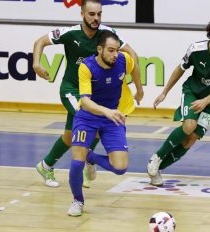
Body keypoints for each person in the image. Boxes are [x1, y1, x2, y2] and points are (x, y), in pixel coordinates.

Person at [32, 0, 143, 188]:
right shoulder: (70, 33)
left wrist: (134, 85)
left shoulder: (107, 34)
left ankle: (46, 165)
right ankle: (86, 162)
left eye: (99, 14)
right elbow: (40, 41)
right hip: (72, 90)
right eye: (92, 14)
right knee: (93, 120)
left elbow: (132, 53)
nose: (96, 18)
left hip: (94, 93)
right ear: (82, 13)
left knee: (69, 136)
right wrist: (36, 64)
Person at [147, 14, 210, 186]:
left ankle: (157, 168)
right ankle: (157, 157)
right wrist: (165, 92)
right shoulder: (196, 49)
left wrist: (206, 101)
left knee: (191, 139)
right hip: (193, 92)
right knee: (189, 126)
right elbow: (180, 69)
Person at [67, 31, 138, 216]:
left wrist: (140, 88)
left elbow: (135, 65)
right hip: (88, 117)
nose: (115, 54)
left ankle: (92, 157)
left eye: (117, 50)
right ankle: (78, 201)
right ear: (100, 50)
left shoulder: (124, 60)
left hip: (112, 118)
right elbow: (85, 101)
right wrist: (105, 110)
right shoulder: (86, 67)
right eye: (111, 50)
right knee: (76, 164)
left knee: (120, 168)